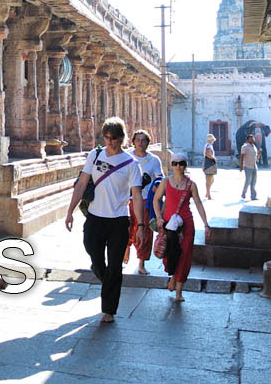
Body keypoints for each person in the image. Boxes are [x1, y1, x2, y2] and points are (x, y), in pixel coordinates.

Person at [64, 117, 145, 323]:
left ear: (121, 138)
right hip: (95, 217)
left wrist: (141, 225)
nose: (110, 141)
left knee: (115, 266)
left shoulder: (131, 164)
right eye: (107, 137)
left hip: (118, 220)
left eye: (114, 137)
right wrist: (70, 210)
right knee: (94, 253)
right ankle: (105, 277)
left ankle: (108, 310)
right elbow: (82, 183)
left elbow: (136, 196)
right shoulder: (96, 155)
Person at [152, 152, 210, 302]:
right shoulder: (165, 181)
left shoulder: (191, 185)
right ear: (171, 165)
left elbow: (198, 203)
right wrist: (158, 217)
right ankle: (173, 276)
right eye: (175, 163)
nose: (178, 166)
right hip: (168, 225)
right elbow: (156, 199)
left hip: (186, 225)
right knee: (168, 255)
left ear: (185, 165)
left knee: (184, 257)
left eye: (181, 163)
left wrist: (206, 224)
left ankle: (179, 291)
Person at [126, 129, 163, 275]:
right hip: (128, 198)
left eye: (143, 140)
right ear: (133, 142)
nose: (140, 143)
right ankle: (125, 249)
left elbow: (160, 177)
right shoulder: (127, 157)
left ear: (148, 142)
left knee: (145, 231)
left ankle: (141, 263)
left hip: (146, 199)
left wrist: (156, 185)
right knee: (127, 227)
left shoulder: (154, 160)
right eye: (138, 140)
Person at [240, 134, 260, 200]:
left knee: (254, 181)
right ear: (248, 139)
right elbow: (242, 156)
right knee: (248, 181)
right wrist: (241, 166)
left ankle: (253, 196)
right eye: (251, 138)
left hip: (254, 166)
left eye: (253, 138)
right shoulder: (245, 147)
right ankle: (243, 193)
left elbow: (256, 157)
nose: (253, 139)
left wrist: (259, 154)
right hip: (247, 166)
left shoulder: (254, 147)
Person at [202, 133, 218, 200]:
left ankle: (207, 192)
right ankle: (208, 195)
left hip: (209, 163)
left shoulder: (208, 145)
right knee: (209, 180)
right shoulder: (208, 145)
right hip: (209, 164)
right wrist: (213, 158)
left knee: (211, 180)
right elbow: (207, 154)